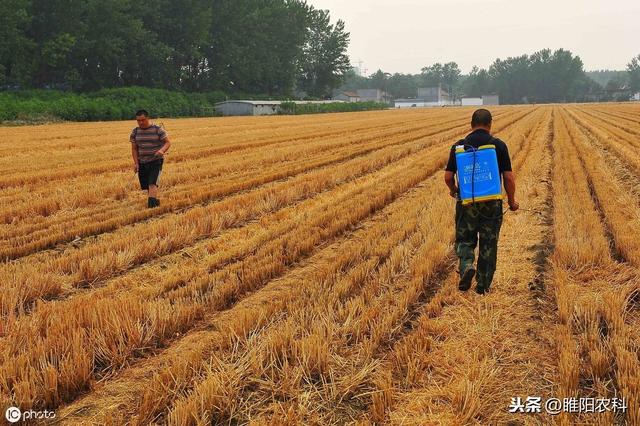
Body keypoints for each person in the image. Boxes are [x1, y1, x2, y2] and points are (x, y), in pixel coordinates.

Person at [444, 109, 519, 295]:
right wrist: (511, 200)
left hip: (467, 203)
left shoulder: (459, 147)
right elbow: (508, 178)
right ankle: (482, 286)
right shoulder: (498, 146)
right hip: (491, 204)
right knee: (488, 243)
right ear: (490, 124)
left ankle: (467, 264)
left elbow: (447, 176)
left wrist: (454, 190)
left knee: (465, 240)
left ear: (471, 124)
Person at [130, 110, 171, 208]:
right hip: (142, 161)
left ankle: (151, 207)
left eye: (143, 120)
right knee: (147, 185)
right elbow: (134, 149)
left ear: (148, 118)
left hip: (156, 160)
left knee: (152, 183)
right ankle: (155, 201)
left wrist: (162, 150)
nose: (140, 122)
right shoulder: (135, 132)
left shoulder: (158, 130)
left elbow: (168, 142)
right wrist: (136, 163)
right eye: (138, 120)